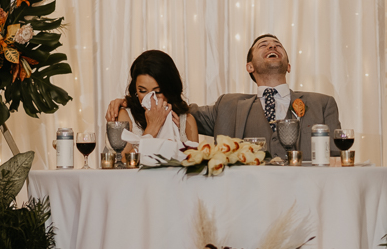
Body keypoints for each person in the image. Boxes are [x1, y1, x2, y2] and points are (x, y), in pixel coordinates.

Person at [107, 35, 341, 161]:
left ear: (288, 65)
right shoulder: (228, 105)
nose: (271, 45)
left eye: (277, 44)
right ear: (249, 66)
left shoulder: (322, 103)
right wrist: (128, 100)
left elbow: (336, 160)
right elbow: (176, 107)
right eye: (263, 45)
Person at [116, 50, 198, 145]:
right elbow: (123, 159)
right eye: (142, 91)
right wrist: (152, 128)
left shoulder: (186, 121)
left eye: (158, 92)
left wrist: (177, 135)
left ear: (170, 90)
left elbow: (195, 158)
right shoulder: (126, 116)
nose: (150, 98)